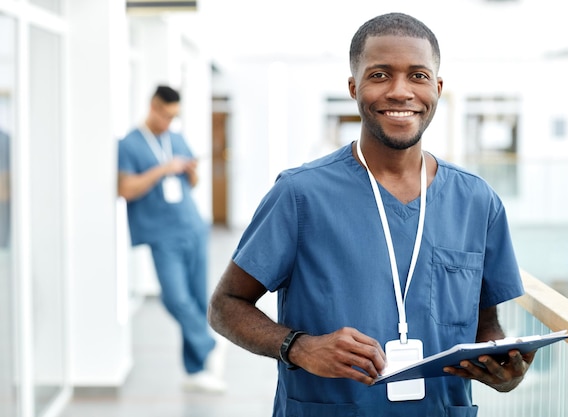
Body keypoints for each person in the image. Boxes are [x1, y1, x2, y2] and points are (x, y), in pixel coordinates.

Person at [209, 12, 534, 416]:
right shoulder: (300, 195)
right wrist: (300, 347)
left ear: (437, 87)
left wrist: (500, 366)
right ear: (353, 87)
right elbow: (225, 305)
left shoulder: (477, 201)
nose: (400, 91)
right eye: (380, 75)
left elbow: (487, 324)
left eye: (417, 75)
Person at [118, 85, 225, 393]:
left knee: (196, 298)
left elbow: (192, 183)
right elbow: (126, 189)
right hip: (161, 234)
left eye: (173, 117)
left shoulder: (176, 138)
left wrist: (189, 171)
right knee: (175, 297)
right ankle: (209, 344)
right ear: (152, 106)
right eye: (165, 115)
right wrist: (164, 168)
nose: (168, 122)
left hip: (192, 227)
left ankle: (195, 371)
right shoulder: (129, 144)